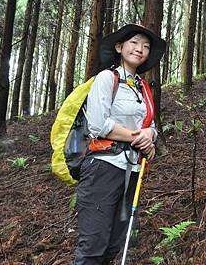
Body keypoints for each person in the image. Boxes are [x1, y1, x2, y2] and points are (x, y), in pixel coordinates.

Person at [73, 24, 166, 265]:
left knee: (114, 244)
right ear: (119, 46)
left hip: (132, 170)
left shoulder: (143, 87)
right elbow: (98, 125)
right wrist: (138, 137)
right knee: (93, 245)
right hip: (102, 168)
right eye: (134, 43)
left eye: (146, 46)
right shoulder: (106, 78)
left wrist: (150, 137)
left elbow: (150, 125)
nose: (140, 49)